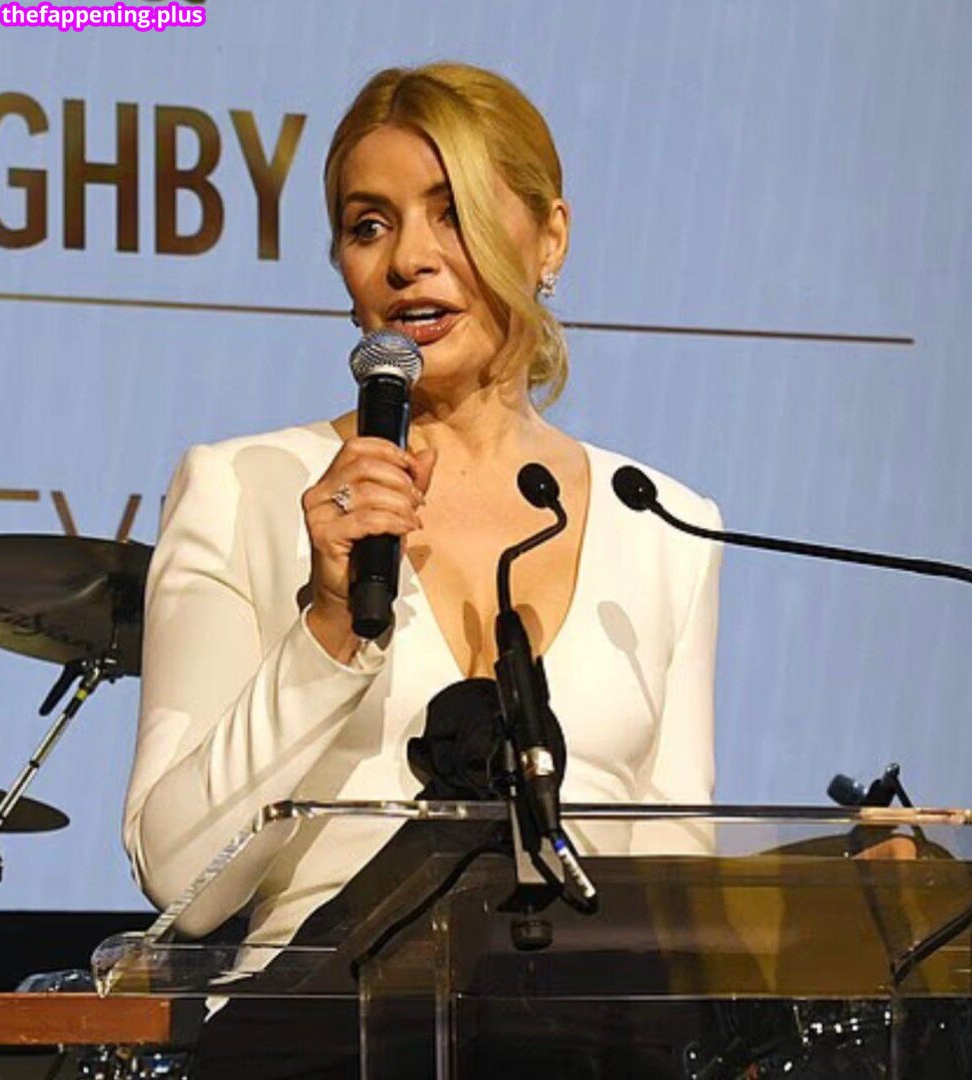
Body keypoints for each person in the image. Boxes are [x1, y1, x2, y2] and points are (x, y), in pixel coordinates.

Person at [123, 61, 723, 1078]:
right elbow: (180, 875)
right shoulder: (243, 487)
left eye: (452, 213)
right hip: (313, 1046)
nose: (409, 259)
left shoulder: (666, 524)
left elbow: (677, 893)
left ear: (550, 238)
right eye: (370, 225)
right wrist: (326, 627)